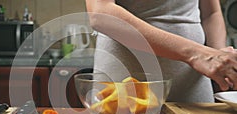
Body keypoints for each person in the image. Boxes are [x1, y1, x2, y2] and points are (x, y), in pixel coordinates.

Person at [85, 0, 237, 102]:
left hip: (192, 82)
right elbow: (101, 13)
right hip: (126, 76)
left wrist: (218, 57)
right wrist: (198, 55)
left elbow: (211, 14)